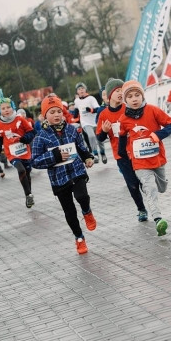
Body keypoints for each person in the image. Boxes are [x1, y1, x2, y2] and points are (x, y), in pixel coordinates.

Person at [31, 94, 97, 254]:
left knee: (82, 197)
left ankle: (87, 211)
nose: (56, 115)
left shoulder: (71, 129)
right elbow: (35, 161)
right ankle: (79, 238)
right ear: (44, 115)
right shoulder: (41, 137)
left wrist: (87, 157)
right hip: (59, 179)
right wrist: (54, 156)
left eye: (58, 111)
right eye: (52, 112)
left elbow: (81, 147)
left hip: (76, 171)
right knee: (69, 212)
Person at [117, 80, 171, 236]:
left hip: (157, 158)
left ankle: (156, 186)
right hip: (139, 161)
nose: (134, 99)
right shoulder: (123, 119)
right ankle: (158, 219)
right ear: (125, 100)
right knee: (150, 189)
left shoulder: (153, 110)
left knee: (161, 187)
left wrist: (158, 135)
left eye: (137, 95)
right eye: (130, 96)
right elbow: (122, 137)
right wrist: (123, 153)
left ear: (142, 96)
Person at [97, 79, 148, 222]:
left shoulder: (129, 107)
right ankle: (141, 209)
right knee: (132, 184)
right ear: (109, 94)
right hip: (121, 156)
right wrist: (104, 131)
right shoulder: (104, 114)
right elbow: (100, 138)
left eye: (122, 90)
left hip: (137, 151)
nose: (120, 93)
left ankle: (151, 201)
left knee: (144, 180)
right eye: (117, 91)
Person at [0, 90, 37, 208]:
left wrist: (24, 139)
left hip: (25, 152)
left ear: (12, 107)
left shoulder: (20, 120)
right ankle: (28, 194)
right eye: (3, 108)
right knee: (21, 170)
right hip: (12, 154)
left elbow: (32, 132)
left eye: (8, 107)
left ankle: (29, 195)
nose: (6, 110)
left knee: (27, 173)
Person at [72, 82, 108, 163]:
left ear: (85, 89)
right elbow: (76, 110)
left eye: (82, 88)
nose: (81, 90)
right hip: (85, 123)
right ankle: (95, 154)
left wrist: (91, 110)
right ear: (77, 92)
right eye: (79, 89)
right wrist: (74, 117)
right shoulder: (76, 101)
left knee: (99, 139)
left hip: (95, 122)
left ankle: (102, 153)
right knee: (91, 136)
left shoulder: (91, 98)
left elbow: (98, 109)